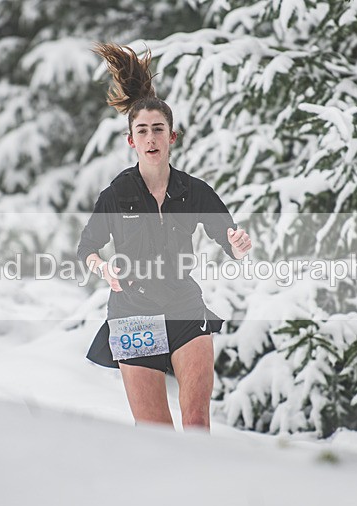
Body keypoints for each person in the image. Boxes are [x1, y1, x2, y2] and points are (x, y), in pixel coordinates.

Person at [77, 43, 252, 431]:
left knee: (196, 423)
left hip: (185, 307)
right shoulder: (117, 194)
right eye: (143, 131)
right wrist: (102, 267)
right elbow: (86, 248)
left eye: (159, 129)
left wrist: (239, 246)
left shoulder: (194, 191)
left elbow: (229, 236)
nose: (151, 137)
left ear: (172, 137)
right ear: (131, 141)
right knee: (156, 433)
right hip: (132, 314)